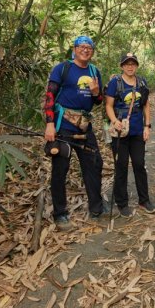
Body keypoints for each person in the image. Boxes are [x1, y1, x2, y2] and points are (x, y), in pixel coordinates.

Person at [44, 35, 108, 231]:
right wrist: (49, 124)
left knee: (94, 164)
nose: (85, 50)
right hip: (63, 126)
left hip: (84, 126)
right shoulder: (62, 69)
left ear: (92, 51)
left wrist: (97, 92)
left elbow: (98, 101)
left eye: (89, 47)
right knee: (60, 169)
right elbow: (50, 96)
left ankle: (96, 208)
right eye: (81, 46)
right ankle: (60, 214)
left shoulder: (94, 71)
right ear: (75, 49)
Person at [105, 52, 155, 218]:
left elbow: (146, 105)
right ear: (122, 66)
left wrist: (147, 126)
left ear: (137, 65)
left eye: (133, 63)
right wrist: (114, 121)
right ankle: (122, 202)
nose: (130, 66)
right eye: (127, 64)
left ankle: (144, 199)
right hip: (120, 134)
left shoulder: (142, 82)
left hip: (137, 131)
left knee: (139, 165)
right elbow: (109, 105)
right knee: (121, 166)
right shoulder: (115, 83)